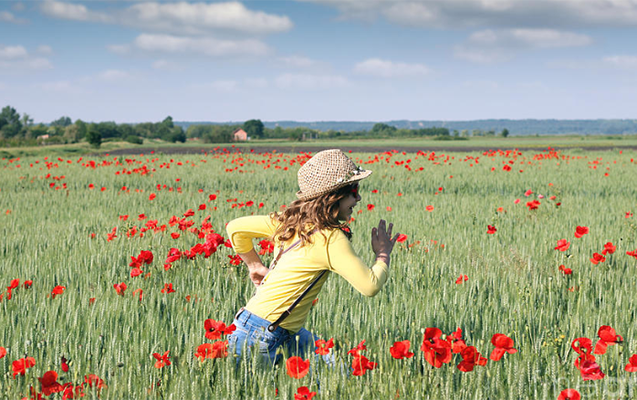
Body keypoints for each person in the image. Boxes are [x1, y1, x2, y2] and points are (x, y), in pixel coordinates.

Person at [226, 149, 398, 365]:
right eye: (353, 190)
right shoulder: (330, 239)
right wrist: (383, 254)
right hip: (262, 335)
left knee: (336, 373)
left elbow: (235, 228)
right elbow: (370, 286)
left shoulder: (288, 222)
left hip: (264, 326)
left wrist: (254, 265)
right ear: (333, 197)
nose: (359, 197)